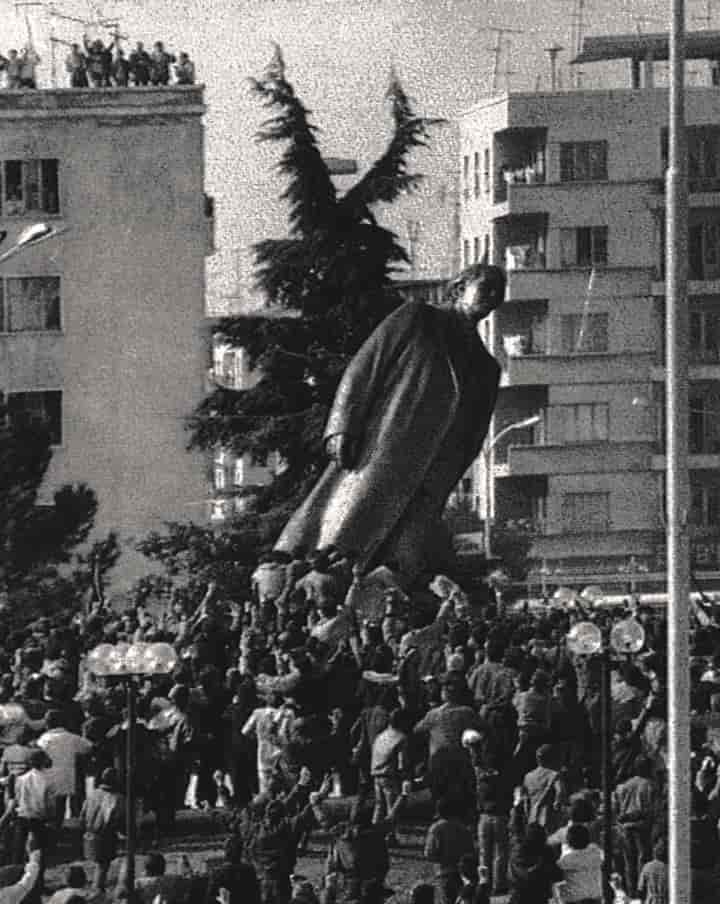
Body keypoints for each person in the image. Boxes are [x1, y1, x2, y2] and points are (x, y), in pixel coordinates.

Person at [275, 263, 506, 582]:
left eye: (500, 291)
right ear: (458, 288)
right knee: (347, 522)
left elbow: (473, 435)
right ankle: (316, 572)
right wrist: (342, 425)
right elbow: (364, 367)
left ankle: (386, 585)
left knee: (404, 547)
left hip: (430, 471)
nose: (494, 296)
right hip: (383, 447)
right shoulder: (418, 319)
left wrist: (449, 476)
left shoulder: (486, 366)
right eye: (487, 287)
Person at [36, 710, 93, 826]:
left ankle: (53, 833)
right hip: (68, 778)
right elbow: (89, 747)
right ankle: (60, 829)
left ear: (49, 723)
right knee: (62, 807)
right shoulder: (72, 738)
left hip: (48, 779)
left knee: (50, 811)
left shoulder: (44, 739)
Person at [423, 797, 475, 904]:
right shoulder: (464, 828)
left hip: (443, 872)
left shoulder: (436, 828)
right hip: (463, 872)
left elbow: (429, 853)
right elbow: (471, 851)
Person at [78, 767, 122, 892]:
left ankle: (96, 887)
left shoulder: (92, 794)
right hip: (105, 835)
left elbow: (82, 815)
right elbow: (118, 820)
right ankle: (97, 891)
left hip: (89, 833)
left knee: (99, 865)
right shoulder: (116, 798)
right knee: (103, 866)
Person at [555, 823, 603, 904]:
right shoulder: (595, 852)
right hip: (595, 897)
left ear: (569, 841)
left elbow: (556, 868)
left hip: (574, 900)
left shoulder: (567, 860)